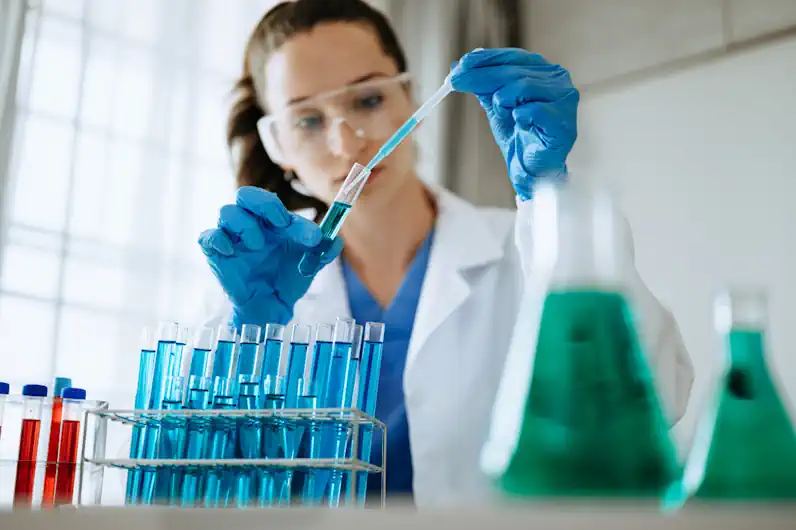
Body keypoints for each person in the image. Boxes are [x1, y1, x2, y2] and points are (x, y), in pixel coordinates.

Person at [198, 0, 694, 508]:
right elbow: (201, 485)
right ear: (275, 142)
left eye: (368, 99)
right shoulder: (254, 295)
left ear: (411, 98)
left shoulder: (525, 250)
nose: (347, 140)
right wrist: (250, 334)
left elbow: (659, 398)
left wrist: (551, 202)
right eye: (307, 119)